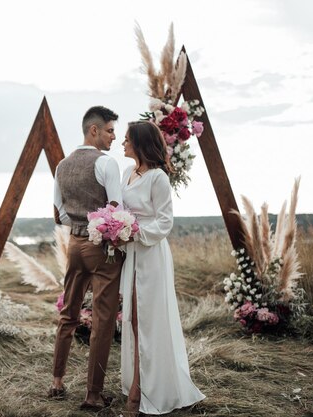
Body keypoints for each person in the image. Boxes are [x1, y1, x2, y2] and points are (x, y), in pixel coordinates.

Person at [119, 121, 205, 416]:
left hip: (151, 255)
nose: (122, 144)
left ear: (141, 143)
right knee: (132, 319)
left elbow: (165, 222)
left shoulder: (158, 178)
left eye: (127, 139)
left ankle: (142, 392)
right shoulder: (126, 173)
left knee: (149, 320)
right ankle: (140, 381)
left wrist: (134, 232)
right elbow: (120, 211)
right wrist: (115, 228)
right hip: (130, 255)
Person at [50, 105, 123, 411]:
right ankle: (93, 394)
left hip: (74, 245)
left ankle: (56, 381)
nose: (114, 137)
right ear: (93, 130)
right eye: (109, 130)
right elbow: (117, 210)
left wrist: (79, 225)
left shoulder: (62, 166)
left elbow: (59, 212)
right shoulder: (106, 164)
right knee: (102, 322)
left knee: (68, 314)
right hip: (102, 248)